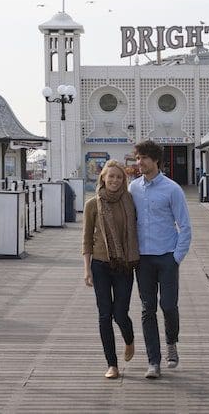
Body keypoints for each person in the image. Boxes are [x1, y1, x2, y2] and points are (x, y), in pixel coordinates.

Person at [128, 140, 192, 379]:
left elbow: (185, 226)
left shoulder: (172, 189)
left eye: (144, 157)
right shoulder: (133, 188)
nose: (139, 162)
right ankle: (153, 361)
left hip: (166, 256)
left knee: (168, 305)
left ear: (156, 160)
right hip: (142, 259)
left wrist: (176, 257)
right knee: (147, 309)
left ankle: (172, 342)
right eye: (137, 158)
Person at [82, 160, 140, 379]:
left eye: (119, 177)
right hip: (100, 265)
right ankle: (112, 364)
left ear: (123, 180)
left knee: (120, 313)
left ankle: (129, 339)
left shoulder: (130, 201)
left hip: (125, 264)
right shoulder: (92, 205)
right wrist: (87, 269)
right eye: (111, 176)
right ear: (103, 178)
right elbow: (87, 239)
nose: (114, 180)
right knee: (105, 315)